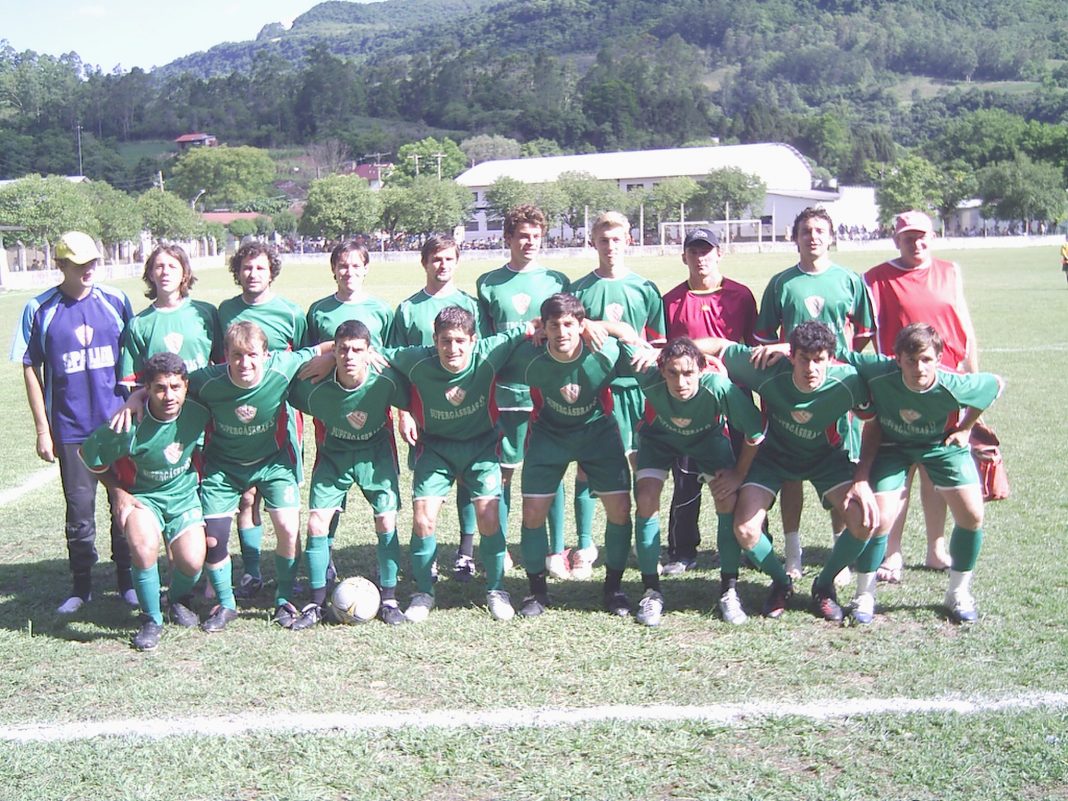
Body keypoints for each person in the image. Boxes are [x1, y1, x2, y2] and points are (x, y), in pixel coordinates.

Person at [700, 321, 877, 622]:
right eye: (804, 359)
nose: (811, 368)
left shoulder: (849, 380)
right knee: (745, 530)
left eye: (819, 360)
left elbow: (873, 421)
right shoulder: (766, 369)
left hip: (826, 459)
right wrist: (662, 353)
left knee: (863, 521)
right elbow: (719, 345)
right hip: (773, 458)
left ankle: (824, 585)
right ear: (791, 356)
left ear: (830, 359)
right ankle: (782, 583)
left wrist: (861, 479)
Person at [843, 324, 1004, 624]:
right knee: (878, 517)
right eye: (911, 360)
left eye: (927, 360)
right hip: (892, 446)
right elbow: (838, 353)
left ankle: (958, 592)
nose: (919, 368)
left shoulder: (953, 384)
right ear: (897, 359)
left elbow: (995, 384)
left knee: (972, 514)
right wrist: (786, 348)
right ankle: (864, 594)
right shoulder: (879, 371)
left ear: (939, 359)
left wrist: (965, 428)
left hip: (940, 445)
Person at [382, 306, 532, 622]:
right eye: (445, 341)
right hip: (435, 449)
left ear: (473, 340)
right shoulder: (416, 359)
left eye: (460, 341)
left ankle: (496, 589)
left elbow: (528, 328)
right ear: (435, 340)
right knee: (423, 519)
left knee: (488, 516)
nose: (453, 348)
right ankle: (423, 592)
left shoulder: (489, 353)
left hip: (481, 446)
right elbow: (374, 354)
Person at [13, 231, 135, 613]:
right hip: (71, 428)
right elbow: (30, 368)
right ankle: (81, 587)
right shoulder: (40, 309)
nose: (88, 269)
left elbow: (135, 357)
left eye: (93, 261)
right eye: (79, 263)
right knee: (80, 511)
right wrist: (42, 429)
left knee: (125, 504)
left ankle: (127, 581)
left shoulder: (116, 301)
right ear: (61, 265)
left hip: (117, 424)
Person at [178, 321, 327, 632]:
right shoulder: (207, 380)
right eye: (236, 355)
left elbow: (322, 348)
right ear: (225, 356)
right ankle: (226, 604)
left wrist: (335, 357)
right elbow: (173, 383)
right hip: (224, 467)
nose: (244, 363)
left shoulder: (282, 367)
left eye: (252, 355)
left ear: (265, 355)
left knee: (288, 527)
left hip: (274, 462)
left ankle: (283, 599)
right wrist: (136, 398)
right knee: (213, 539)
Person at [754, 207, 873, 582]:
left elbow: (865, 331)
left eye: (820, 230)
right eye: (806, 230)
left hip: (833, 390)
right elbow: (762, 338)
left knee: (840, 465)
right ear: (796, 238)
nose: (813, 236)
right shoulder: (781, 283)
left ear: (831, 237)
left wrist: (838, 363)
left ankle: (839, 552)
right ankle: (793, 553)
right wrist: (786, 351)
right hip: (792, 387)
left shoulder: (849, 280)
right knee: (791, 471)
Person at [506, 294, 643, 621]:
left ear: (582, 326)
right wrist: (528, 329)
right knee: (532, 513)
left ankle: (614, 589)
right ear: (544, 328)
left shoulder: (604, 351)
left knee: (620, 510)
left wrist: (605, 328)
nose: (562, 332)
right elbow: (488, 362)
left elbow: (632, 339)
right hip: (548, 435)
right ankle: (537, 591)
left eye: (569, 324)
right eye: (554, 325)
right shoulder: (530, 356)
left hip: (598, 433)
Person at [864, 210, 979, 581]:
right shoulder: (876, 278)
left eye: (922, 235)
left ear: (933, 236)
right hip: (899, 388)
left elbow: (965, 327)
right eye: (908, 237)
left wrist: (971, 377)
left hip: (945, 387)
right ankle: (892, 552)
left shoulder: (950, 271)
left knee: (934, 468)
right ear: (896, 240)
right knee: (899, 468)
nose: (916, 243)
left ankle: (936, 547)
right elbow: (863, 333)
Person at [80, 353, 219, 650]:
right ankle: (151, 619)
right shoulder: (128, 424)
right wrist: (118, 492)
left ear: (186, 386)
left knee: (193, 561)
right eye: (159, 388)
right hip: (143, 499)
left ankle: (176, 600)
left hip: (183, 497)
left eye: (175, 387)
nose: (169, 396)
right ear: (147, 389)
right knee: (143, 547)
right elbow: (89, 456)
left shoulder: (198, 411)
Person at [475, 205, 582, 581]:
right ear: (508, 238)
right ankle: (501, 547)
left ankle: (556, 551)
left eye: (536, 236)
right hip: (504, 392)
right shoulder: (488, 283)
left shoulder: (557, 280)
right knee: (501, 474)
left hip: (547, 392)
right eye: (522, 235)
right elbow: (484, 343)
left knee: (550, 471)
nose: (530, 242)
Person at [630, 337, 764, 624]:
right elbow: (616, 342)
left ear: (702, 370)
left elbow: (755, 431)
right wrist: (590, 328)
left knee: (727, 499)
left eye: (689, 372)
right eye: (673, 373)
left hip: (707, 440)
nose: (681, 382)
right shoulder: (647, 375)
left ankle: (729, 590)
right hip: (659, 439)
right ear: (661, 370)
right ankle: (651, 591)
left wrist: (739, 474)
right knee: (645, 498)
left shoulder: (718, 386)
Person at [288, 320, 410, 628]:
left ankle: (390, 599)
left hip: (376, 454)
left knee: (386, 520)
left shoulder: (386, 380)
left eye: (357, 350)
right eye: (343, 350)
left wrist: (407, 417)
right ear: (334, 352)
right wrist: (321, 356)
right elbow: (282, 385)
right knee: (316, 523)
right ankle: (316, 603)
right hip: (334, 455)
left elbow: (415, 389)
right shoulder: (314, 385)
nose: (349, 356)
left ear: (369, 352)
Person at [388, 236, 486, 585]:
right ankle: (425, 557)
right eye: (436, 259)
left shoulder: (471, 305)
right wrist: (404, 412)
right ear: (424, 263)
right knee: (429, 482)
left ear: (457, 262)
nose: (442, 265)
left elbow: (483, 357)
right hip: (425, 410)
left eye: (448, 258)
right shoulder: (408, 309)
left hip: (466, 408)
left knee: (467, 481)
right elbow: (396, 365)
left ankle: (465, 552)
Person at [660, 227, 757, 575]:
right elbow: (664, 354)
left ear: (719, 253)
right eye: (694, 251)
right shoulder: (671, 300)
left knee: (742, 471)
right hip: (689, 400)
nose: (700, 258)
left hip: (734, 395)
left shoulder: (741, 296)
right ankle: (682, 549)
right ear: (683, 256)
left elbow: (752, 350)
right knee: (686, 476)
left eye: (706, 251)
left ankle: (751, 542)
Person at [217, 242, 307, 600]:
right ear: (237, 272)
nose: (252, 274)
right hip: (237, 417)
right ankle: (251, 572)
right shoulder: (225, 311)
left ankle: (293, 574)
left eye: (260, 268)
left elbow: (306, 359)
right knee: (246, 498)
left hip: (280, 417)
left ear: (272, 272)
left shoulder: (291, 312)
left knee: (283, 501)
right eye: (246, 267)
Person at [303, 240, 395, 582]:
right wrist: (330, 356)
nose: (349, 271)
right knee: (330, 487)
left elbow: (388, 357)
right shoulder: (319, 311)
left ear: (366, 268)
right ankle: (325, 554)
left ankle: (386, 563)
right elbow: (312, 357)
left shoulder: (382, 309)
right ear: (333, 269)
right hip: (332, 411)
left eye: (356, 265)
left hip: (373, 409)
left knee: (381, 490)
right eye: (342, 265)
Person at [119, 244, 222, 386]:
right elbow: (137, 384)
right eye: (159, 266)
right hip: (161, 400)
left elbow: (223, 365)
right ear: (151, 274)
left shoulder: (206, 313)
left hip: (202, 397)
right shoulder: (138, 324)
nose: (165, 272)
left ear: (184, 274)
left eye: (172, 266)